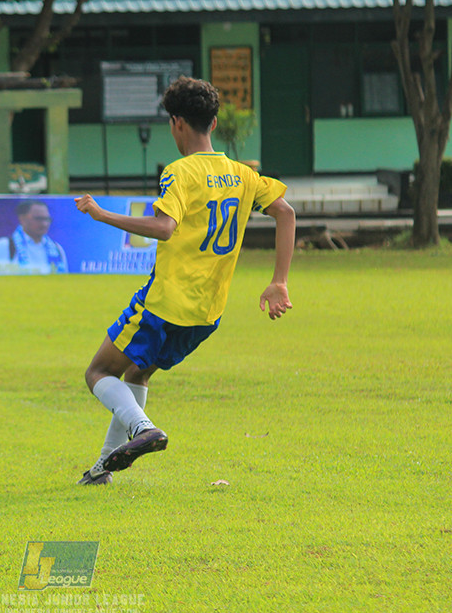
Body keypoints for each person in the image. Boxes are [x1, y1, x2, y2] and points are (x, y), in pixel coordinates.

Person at [73, 76, 296, 485]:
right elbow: (286, 213)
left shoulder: (180, 172)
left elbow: (164, 227)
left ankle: (144, 431)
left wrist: (103, 215)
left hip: (164, 303)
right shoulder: (243, 175)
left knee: (98, 372)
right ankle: (102, 469)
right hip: (207, 313)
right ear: (213, 124)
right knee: (137, 374)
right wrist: (278, 281)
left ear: (177, 123)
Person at [0, 200, 68, 274]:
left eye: (47, 219)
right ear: (22, 219)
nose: (44, 224)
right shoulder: (5, 245)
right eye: (38, 219)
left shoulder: (57, 248)